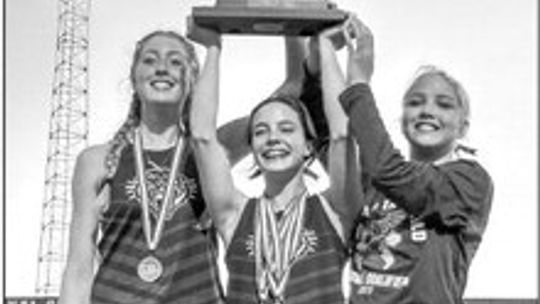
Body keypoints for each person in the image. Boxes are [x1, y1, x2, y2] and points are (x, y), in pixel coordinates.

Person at [58, 30, 254, 304]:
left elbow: (287, 100)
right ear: (134, 78)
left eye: (176, 62)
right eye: (150, 60)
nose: (162, 68)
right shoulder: (96, 161)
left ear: (192, 80)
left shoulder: (210, 152)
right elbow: (78, 270)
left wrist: (297, 34)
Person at [319, 17, 494, 304]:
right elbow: (333, 131)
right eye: (415, 102)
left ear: (463, 127)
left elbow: (391, 172)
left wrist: (360, 82)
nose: (427, 110)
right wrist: (321, 45)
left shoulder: (469, 182)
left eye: (444, 104)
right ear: (401, 120)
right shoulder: (370, 180)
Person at [188, 23, 356, 304]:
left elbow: (342, 135)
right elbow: (203, 138)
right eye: (261, 131)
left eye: (287, 129)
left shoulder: (335, 211)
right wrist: (213, 47)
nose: (273, 138)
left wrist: (326, 47)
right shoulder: (235, 215)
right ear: (252, 148)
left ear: (308, 145)